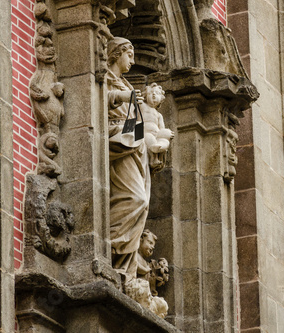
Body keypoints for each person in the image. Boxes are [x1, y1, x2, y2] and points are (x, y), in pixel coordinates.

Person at [106, 37, 150, 280]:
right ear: (116, 54)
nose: (133, 60)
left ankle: (123, 264)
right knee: (135, 199)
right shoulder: (106, 77)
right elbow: (94, 99)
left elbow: (135, 123)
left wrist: (139, 131)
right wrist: (123, 99)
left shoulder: (127, 85)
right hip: (116, 142)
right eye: (129, 54)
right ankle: (110, 244)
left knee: (141, 202)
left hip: (131, 145)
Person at [142, 83, 174, 153]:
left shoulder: (159, 115)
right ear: (145, 97)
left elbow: (162, 128)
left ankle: (159, 146)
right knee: (149, 137)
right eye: (150, 93)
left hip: (157, 133)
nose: (153, 94)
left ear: (161, 99)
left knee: (166, 139)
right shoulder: (143, 106)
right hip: (146, 132)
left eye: (157, 93)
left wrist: (167, 133)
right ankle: (154, 149)